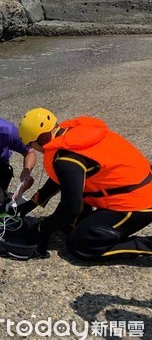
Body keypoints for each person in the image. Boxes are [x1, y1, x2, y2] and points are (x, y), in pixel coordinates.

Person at [17, 108, 152, 260]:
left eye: (31, 144)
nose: (32, 148)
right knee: (69, 225)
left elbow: (71, 206)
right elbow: (62, 179)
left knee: (80, 244)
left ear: (39, 139)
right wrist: (28, 206)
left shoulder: (67, 158)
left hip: (139, 203)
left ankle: (147, 245)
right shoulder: (75, 135)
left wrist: (44, 228)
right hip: (143, 186)